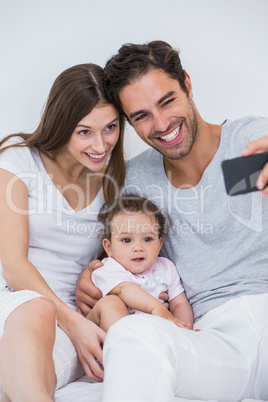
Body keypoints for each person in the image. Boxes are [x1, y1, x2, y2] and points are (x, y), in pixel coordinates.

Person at [76, 41, 268, 402]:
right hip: (212, 339)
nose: (162, 124)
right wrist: (92, 275)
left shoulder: (246, 145)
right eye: (141, 116)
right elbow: (117, 252)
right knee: (132, 335)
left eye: (167, 101)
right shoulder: (135, 181)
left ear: (188, 85)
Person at [0, 63, 125, 401]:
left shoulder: (114, 182)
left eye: (111, 127)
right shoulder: (19, 163)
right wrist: (70, 320)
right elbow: (12, 263)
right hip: (15, 306)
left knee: (30, 381)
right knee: (37, 309)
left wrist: (95, 272)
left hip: (73, 327)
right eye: (84, 132)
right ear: (62, 124)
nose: (101, 144)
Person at [87, 193, 194, 332]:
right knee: (110, 303)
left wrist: (185, 330)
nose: (138, 248)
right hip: (107, 333)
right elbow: (123, 290)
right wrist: (157, 308)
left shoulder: (166, 267)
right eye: (127, 240)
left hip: (149, 335)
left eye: (147, 239)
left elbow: (179, 303)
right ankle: (121, 350)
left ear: (159, 244)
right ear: (109, 247)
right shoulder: (109, 267)